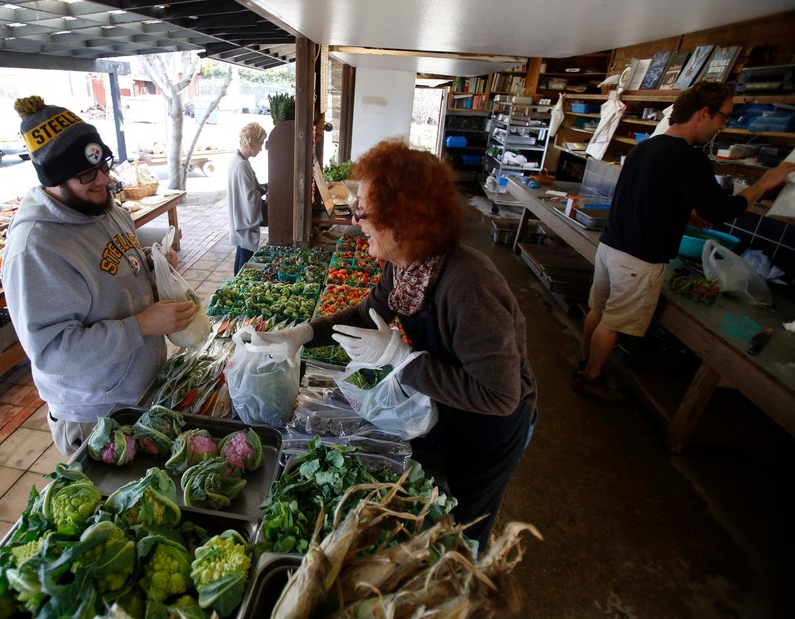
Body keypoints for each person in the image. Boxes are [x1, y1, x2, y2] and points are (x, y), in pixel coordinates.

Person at [259, 139, 538, 554]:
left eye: (365, 211)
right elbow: (367, 312)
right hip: (446, 405)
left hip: (489, 428)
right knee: (435, 501)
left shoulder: (469, 286)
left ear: (402, 223)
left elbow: (499, 396)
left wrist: (401, 358)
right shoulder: (407, 266)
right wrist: (302, 333)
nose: (356, 218)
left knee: (463, 528)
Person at [2, 96, 197, 454]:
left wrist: (152, 268)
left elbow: (118, 266)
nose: (103, 181)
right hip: (95, 413)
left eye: (104, 165)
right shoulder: (35, 249)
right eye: (86, 174)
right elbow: (53, 353)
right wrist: (140, 325)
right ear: (54, 180)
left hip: (140, 390)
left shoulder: (106, 209)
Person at [575, 81, 795, 400]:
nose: (723, 126)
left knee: (598, 310)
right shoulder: (689, 159)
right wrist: (763, 183)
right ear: (704, 113)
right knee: (613, 321)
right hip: (639, 257)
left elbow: (647, 196)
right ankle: (591, 379)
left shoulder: (645, 147)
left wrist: (686, 215)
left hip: (610, 247)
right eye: (724, 117)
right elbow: (721, 210)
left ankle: (584, 363)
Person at [227, 122, 268, 274]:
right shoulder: (242, 165)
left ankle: (235, 282)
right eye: (261, 143)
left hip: (239, 217)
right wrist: (263, 191)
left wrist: (264, 187)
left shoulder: (236, 159)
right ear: (251, 143)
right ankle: (238, 288)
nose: (261, 148)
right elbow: (250, 198)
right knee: (245, 261)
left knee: (241, 255)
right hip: (244, 221)